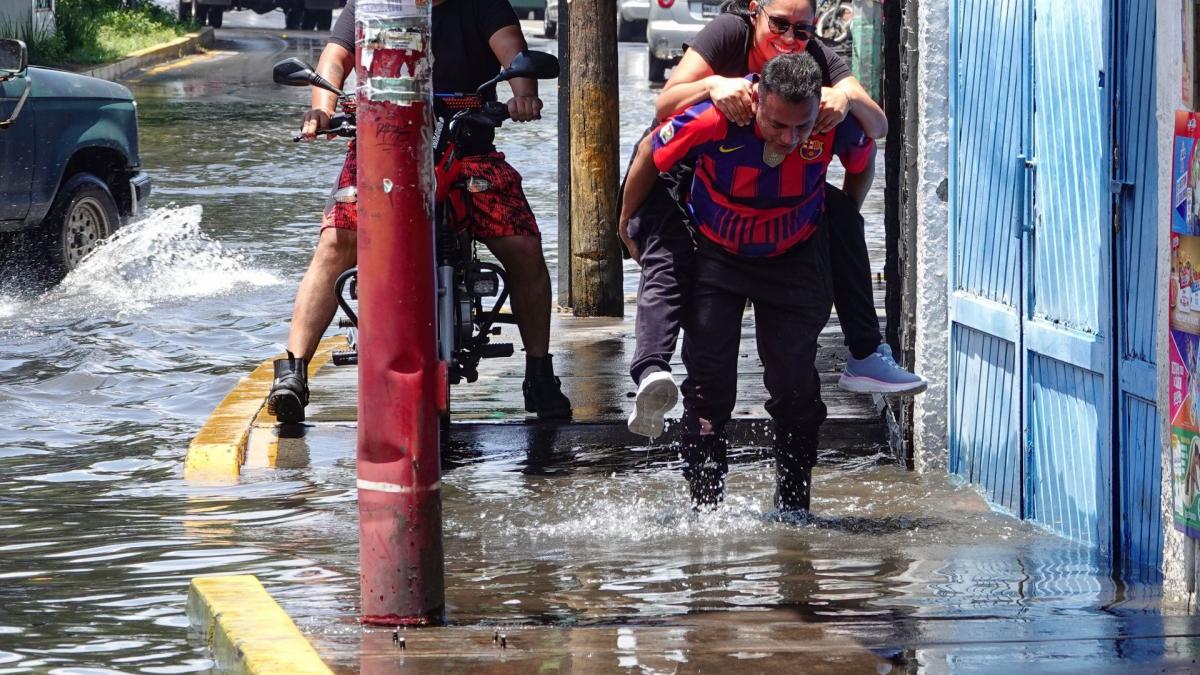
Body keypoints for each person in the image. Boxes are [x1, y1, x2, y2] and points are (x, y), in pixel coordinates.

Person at [622, 0, 924, 439]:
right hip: (705, 203)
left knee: (796, 384)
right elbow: (659, 127)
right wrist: (713, 87)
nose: (789, 39)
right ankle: (651, 370)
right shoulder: (726, 51)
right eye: (779, 24)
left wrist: (846, 96)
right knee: (669, 267)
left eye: (801, 31)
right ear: (754, 12)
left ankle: (865, 354)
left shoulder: (821, 85)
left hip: (790, 244)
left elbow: (874, 135)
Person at [268, 0, 572, 423]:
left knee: (523, 246)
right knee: (336, 241)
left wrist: (524, 96)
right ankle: (293, 372)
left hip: (466, 147)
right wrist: (322, 109)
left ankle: (539, 370)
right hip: (382, 149)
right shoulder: (371, 6)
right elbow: (336, 57)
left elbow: (514, 55)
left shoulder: (482, 6)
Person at [621, 51, 872, 512]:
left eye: (802, 126)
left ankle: (794, 506)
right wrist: (625, 220)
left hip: (794, 259)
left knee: (795, 383)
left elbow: (862, 160)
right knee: (709, 386)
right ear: (756, 101)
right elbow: (650, 155)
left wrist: (839, 218)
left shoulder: (833, 123)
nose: (790, 137)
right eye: (777, 124)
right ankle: (706, 511)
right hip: (718, 259)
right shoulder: (715, 118)